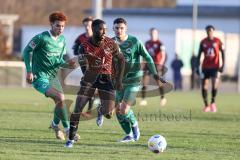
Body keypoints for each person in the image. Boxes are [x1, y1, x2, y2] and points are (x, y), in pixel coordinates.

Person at [65, 19, 125, 148]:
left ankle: (100, 109)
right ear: (93, 29)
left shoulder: (111, 43)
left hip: (106, 79)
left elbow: (121, 60)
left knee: (108, 114)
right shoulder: (84, 46)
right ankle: (70, 139)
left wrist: (119, 80)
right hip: (90, 78)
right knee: (77, 109)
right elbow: (82, 66)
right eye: (100, 29)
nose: (104, 32)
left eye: (105, 29)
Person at [22, 11, 79, 141]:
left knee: (59, 102)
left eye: (63, 26)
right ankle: (68, 130)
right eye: (58, 25)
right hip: (39, 77)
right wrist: (29, 70)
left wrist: (67, 64)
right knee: (60, 97)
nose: (60, 29)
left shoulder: (62, 40)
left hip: (53, 77)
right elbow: (27, 51)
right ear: (51, 25)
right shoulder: (41, 38)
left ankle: (54, 125)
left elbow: (59, 61)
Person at [111, 18, 164, 142]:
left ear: (126, 28)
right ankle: (129, 134)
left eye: (121, 28)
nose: (119, 30)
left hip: (133, 79)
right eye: (116, 28)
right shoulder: (110, 43)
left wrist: (155, 74)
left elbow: (148, 57)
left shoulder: (135, 41)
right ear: (113, 29)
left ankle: (135, 126)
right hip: (118, 81)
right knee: (118, 111)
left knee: (124, 109)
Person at [197, 25, 225, 112]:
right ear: (206, 32)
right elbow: (198, 56)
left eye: (211, 31)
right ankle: (206, 105)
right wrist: (197, 67)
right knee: (204, 86)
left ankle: (213, 102)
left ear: (213, 31)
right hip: (205, 67)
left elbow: (223, 53)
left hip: (215, 67)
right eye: (208, 31)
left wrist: (223, 65)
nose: (209, 32)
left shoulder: (218, 41)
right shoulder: (203, 42)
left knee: (214, 84)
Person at [72, 17, 95, 114]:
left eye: (89, 25)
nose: (87, 27)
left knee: (90, 86)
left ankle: (89, 109)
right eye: (85, 25)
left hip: (96, 66)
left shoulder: (98, 37)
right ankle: (88, 110)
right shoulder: (80, 38)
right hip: (85, 66)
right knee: (88, 86)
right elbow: (75, 50)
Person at [140, 28, 167, 106]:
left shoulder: (160, 43)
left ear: (157, 34)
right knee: (144, 82)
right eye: (152, 33)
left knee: (159, 82)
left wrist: (160, 64)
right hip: (148, 64)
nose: (153, 34)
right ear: (150, 33)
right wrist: (143, 62)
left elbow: (163, 55)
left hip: (156, 65)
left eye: (154, 33)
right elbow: (144, 54)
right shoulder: (147, 43)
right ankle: (143, 99)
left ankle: (162, 98)